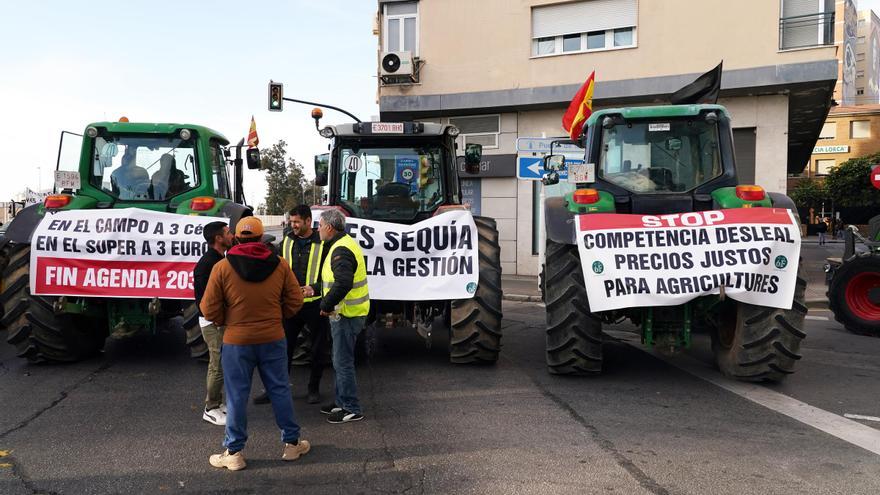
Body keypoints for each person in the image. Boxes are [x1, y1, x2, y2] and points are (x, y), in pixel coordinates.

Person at [200, 217, 310, 471]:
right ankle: (292, 445)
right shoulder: (280, 265)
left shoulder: (223, 268)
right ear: (262, 238)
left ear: (237, 238)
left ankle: (234, 452)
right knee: (280, 389)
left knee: (237, 395)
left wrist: (226, 320)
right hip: (272, 336)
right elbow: (295, 301)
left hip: (237, 341)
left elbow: (208, 308)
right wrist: (276, 317)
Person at [255, 205, 330, 405]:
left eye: (297, 222)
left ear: (308, 221)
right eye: (291, 222)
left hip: (315, 305)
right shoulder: (287, 239)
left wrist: (314, 288)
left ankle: (313, 389)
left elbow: (332, 276)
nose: (293, 225)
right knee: (282, 350)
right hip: (290, 304)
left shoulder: (324, 243)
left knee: (317, 349)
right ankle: (275, 390)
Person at [315, 208, 369, 424]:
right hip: (348, 313)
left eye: (319, 225)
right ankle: (340, 401)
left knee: (343, 362)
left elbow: (343, 283)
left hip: (346, 314)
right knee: (339, 361)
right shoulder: (342, 244)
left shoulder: (341, 250)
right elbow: (335, 279)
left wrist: (326, 304)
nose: (317, 229)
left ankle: (351, 407)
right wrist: (314, 287)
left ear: (329, 227)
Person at [193, 221, 234, 426]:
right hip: (212, 322)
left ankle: (217, 403)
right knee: (216, 365)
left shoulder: (219, 259)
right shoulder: (208, 263)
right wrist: (216, 318)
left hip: (218, 320)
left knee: (221, 364)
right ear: (218, 238)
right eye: (227, 233)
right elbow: (203, 299)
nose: (231, 235)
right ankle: (210, 408)